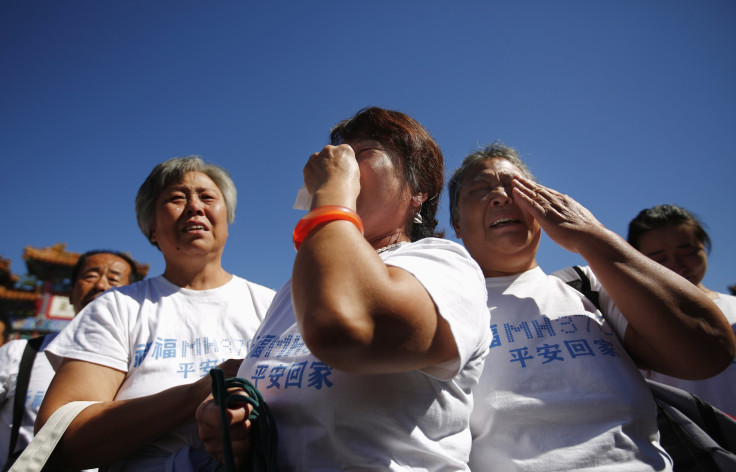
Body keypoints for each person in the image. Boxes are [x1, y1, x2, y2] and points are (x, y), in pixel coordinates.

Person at [196, 107, 490, 471]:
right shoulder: (295, 288)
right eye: (341, 152)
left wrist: (333, 194)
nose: (341, 162)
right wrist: (234, 409)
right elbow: (277, 377)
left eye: (363, 152)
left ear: (419, 190)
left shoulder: (443, 263)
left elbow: (349, 328)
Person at [447, 142, 735, 471]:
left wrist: (590, 236)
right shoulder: (447, 303)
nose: (502, 196)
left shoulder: (591, 284)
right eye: (481, 189)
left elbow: (710, 347)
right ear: (457, 224)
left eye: (517, 186)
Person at [35, 157, 276, 471]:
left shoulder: (272, 305)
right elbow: (59, 440)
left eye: (207, 197)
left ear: (226, 220)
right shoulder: (116, 307)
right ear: (151, 228)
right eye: (177, 198)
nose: (194, 207)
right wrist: (198, 395)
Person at [0, 250, 140, 470]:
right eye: (90, 276)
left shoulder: (143, 363)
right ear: (71, 292)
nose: (101, 285)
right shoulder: (19, 353)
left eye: (113, 279)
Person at [627, 204, 736, 415]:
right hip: (684, 445)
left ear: (703, 246)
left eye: (687, 252)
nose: (676, 266)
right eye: (659, 259)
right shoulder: (633, 322)